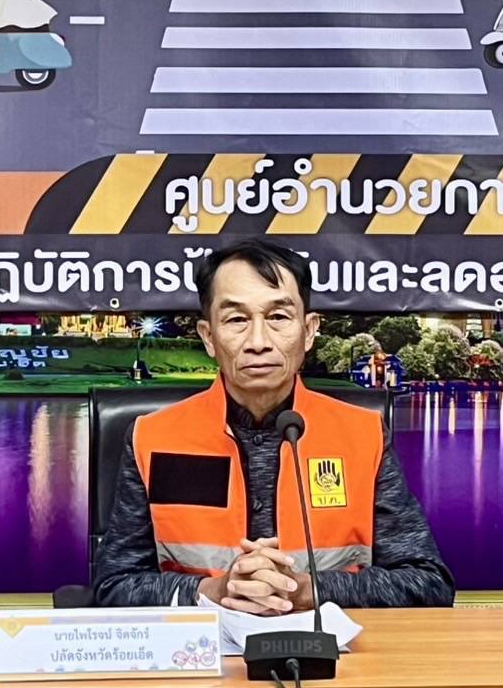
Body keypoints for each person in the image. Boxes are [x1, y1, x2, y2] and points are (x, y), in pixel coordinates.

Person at [93, 238, 454, 611]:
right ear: (208, 337)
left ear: (309, 330)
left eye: (278, 317)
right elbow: (113, 587)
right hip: (202, 645)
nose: (258, 342)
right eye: (236, 319)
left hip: (326, 644)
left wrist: (308, 590)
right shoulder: (155, 437)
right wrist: (213, 592)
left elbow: (428, 583)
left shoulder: (363, 435)